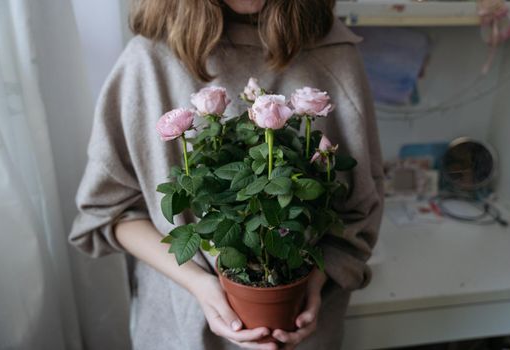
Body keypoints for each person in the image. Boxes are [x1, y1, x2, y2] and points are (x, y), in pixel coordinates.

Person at [69, 0, 384, 349]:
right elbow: (110, 213)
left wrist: (313, 281)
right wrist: (200, 284)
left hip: (303, 327)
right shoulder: (149, 59)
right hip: (180, 328)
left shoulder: (334, 54)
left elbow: (358, 211)